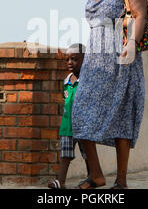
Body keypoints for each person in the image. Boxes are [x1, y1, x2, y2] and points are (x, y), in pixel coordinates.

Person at [72, 0, 148, 189]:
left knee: (122, 116)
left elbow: (139, 15)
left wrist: (132, 43)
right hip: (95, 60)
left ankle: (121, 181)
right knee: (80, 114)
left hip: (121, 58)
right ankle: (96, 174)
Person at [47, 43, 89, 189]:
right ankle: (61, 181)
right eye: (68, 59)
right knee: (65, 155)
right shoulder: (66, 81)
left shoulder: (87, 80)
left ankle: (91, 179)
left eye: (75, 59)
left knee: (89, 155)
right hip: (67, 125)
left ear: (85, 59)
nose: (70, 62)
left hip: (84, 126)